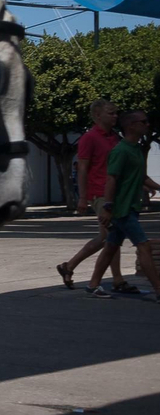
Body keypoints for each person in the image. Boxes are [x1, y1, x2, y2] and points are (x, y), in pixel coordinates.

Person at [56, 99, 134, 292]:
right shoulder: (89, 138)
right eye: (111, 113)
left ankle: (69, 266)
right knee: (112, 237)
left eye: (116, 113)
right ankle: (118, 280)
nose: (115, 116)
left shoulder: (115, 137)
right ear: (97, 115)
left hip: (115, 193)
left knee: (103, 238)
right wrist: (82, 197)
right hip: (99, 193)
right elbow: (82, 168)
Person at [86, 110, 160, 299]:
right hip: (122, 210)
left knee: (111, 246)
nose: (147, 125)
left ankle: (93, 285)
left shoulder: (135, 149)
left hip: (130, 208)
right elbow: (111, 179)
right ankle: (159, 290)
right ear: (131, 126)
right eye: (144, 122)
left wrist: (157, 187)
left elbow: (141, 177)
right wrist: (108, 207)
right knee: (144, 247)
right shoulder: (120, 151)